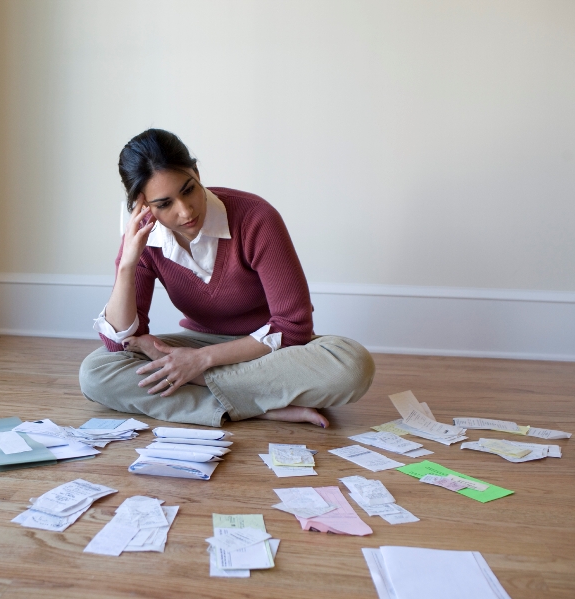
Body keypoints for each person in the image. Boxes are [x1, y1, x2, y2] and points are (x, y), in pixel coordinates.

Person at [79, 129, 375, 428]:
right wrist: (128, 263)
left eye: (188, 189)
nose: (185, 211)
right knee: (96, 372)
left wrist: (201, 362)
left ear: (196, 172)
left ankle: (211, 392)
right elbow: (120, 342)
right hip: (197, 343)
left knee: (349, 366)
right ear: (143, 206)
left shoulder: (255, 217)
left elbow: (293, 328)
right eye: (164, 204)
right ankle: (259, 407)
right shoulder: (143, 238)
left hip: (269, 350)